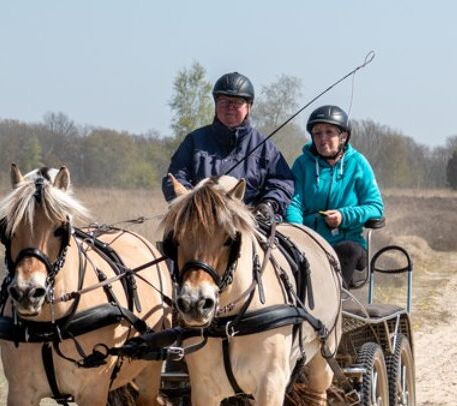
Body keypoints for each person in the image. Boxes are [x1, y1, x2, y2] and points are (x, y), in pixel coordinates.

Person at [161, 72, 293, 222]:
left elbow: (282, 182)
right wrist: (190, 202)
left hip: (251, 222)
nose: (230, 107)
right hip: (200, 221)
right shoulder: (194, 141)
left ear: (249, 107)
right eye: (224, 101)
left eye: (237, 102)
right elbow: (175, 177)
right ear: (216, 105)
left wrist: (269, 204)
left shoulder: (265, 146)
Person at [285, 105, 384, 289]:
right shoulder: (302, 164)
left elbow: (375, 207)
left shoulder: (358, 163)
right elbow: (294, 203)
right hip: (309, 242)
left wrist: (343, 216)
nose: (322, 139)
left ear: (343, 136)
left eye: (329, 132)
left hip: (348, 246)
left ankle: (336, 302)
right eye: (317, 133)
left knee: (347, 251)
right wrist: (298, 231)